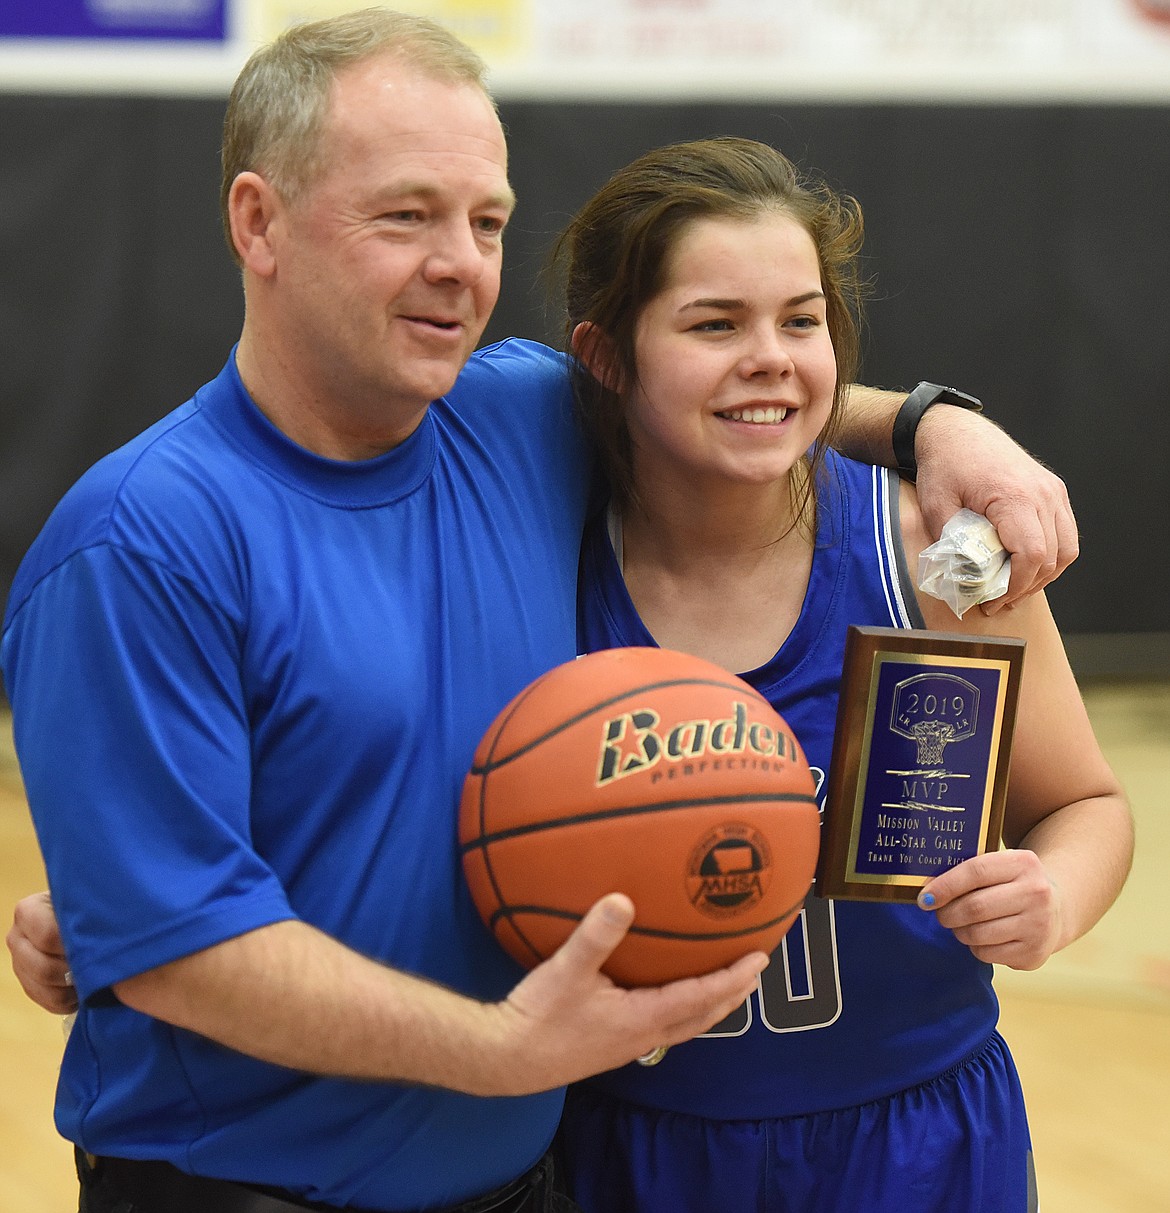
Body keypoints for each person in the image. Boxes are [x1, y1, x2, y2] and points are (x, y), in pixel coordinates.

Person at [2, 8, 1082, 1213]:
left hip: (529, 1180)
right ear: (258, 221)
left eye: (487, 220)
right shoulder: (140, 541)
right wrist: (504, 1049)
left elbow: (725, 382)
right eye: (406, 214)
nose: (460, 261)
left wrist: (939, 424)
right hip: (238, 1188)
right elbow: (184, 950)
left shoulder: (514, 418)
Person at [540, 137, 1133, 1212]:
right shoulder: (539, 566)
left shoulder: (938, 556)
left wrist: (1055, 895)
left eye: (800, 319)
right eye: (715, 322)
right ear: (608, 355)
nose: (770, 356)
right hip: (635, 1140)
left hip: (917, 1135)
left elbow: (1086, 802)